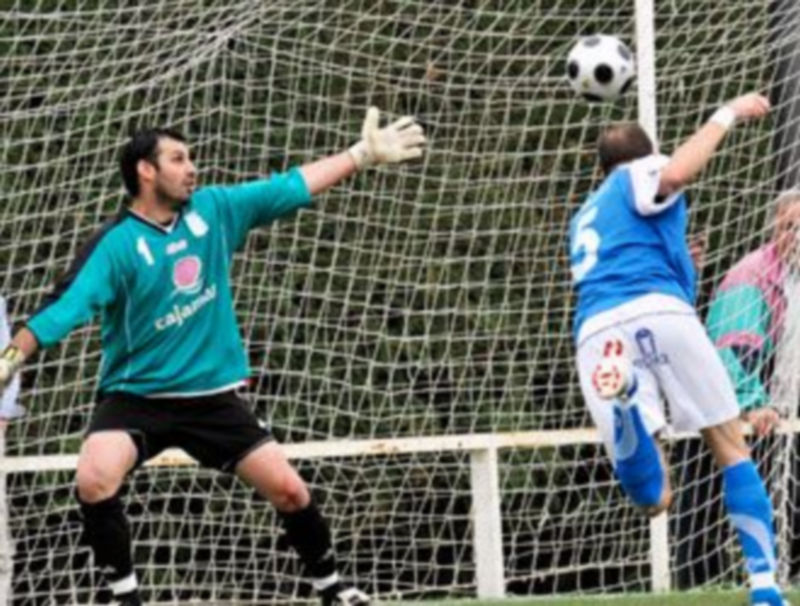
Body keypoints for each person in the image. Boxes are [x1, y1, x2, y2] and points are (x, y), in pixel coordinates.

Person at [0, 107, 426, 606]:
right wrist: (7, 361)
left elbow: (289, 187)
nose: (192, 168)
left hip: (212, 398)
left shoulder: (216, 210)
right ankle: (124, 597)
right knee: (94, 477)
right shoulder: (116, 245)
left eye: (191, 158)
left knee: (290, 491)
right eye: (178, 159)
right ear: (146, 170)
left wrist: (360, 155)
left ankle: (333, 589)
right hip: (136, 397)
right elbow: (61, 310)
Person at [568, 92, 789, 606]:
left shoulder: (585, 214)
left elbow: (632, 256)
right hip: (656, 310)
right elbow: (674, 175)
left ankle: (626, 400)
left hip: (597, 332)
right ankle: (764, 587)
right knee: (730, 446)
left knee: (655, 499)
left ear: (599, 169)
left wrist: (683, 264)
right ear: (645, 155)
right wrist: (727, 114)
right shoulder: (639, 173)